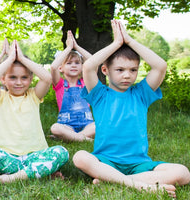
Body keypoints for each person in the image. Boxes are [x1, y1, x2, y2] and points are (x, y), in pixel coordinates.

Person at [72, 20, 190, 198]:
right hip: (105, 161)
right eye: (119, 69)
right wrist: (116, 44)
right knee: (80, 157)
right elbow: (88, 66)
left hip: (138, 163)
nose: (127, 75)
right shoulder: (99, 95)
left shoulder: (141, 94)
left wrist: (130, 41)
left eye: (133, 70)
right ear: (105, 70)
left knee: (183, 173)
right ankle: (141, 184)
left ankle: (112, 180)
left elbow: (160, 66)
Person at [0, 40, 69, 183]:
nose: (19, 82)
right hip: (10, 156)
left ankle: (13, 177)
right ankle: (38, 171)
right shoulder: (0, 97)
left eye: (24, 78)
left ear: (31, 79)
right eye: (13, 77)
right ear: (3, 79)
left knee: (61, 152)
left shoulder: (34, 96)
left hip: (36, 154)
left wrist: (21, 58)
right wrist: (10, 59)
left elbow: (47, 78)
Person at [49, 30, 95, 142]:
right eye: (69, 63)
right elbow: (53, 67)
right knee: (55, 128)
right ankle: (84, 138)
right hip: (66, 124)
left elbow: (93, 61)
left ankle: (72, 137)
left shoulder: (86, 83)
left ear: (82, 66)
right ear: (61, 68)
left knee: (101, 124)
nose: (73, 65)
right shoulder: (59, 84)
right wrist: (69, 48)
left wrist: (76, 47)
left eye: (77, 63)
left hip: (87, 124)